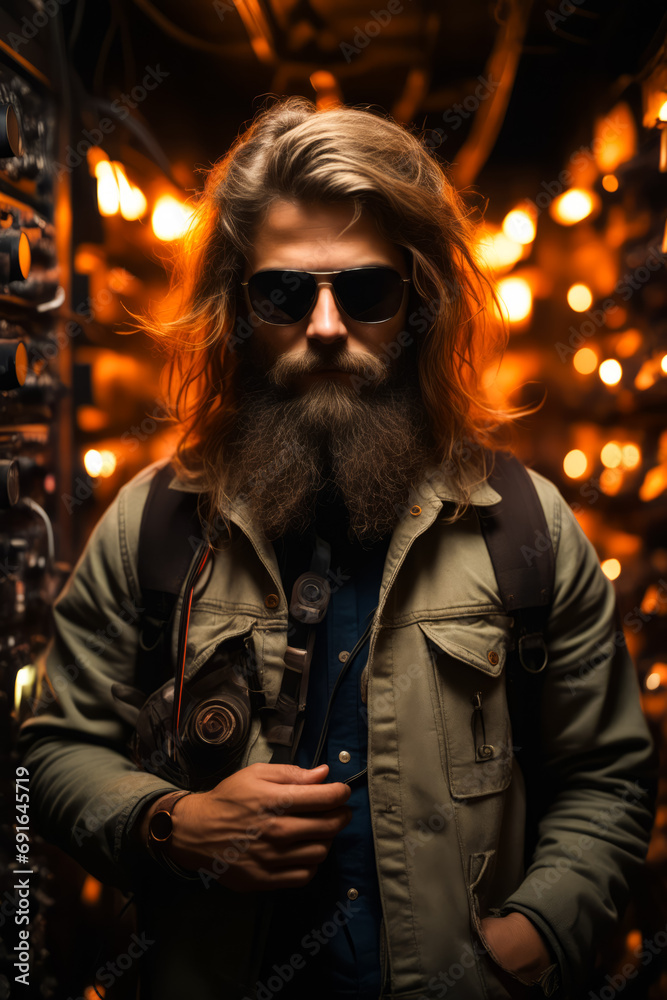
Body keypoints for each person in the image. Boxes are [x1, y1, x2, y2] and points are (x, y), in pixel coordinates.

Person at [18, 95, 657, 1000]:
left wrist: (536, 934)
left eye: (364, 292)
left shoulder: (526, 526)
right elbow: (47, 754)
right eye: (283, 294)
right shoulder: (151, 522)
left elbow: (610, 779)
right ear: (235, 310)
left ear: (419, 301)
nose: (325, 327)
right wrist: (168, 822)